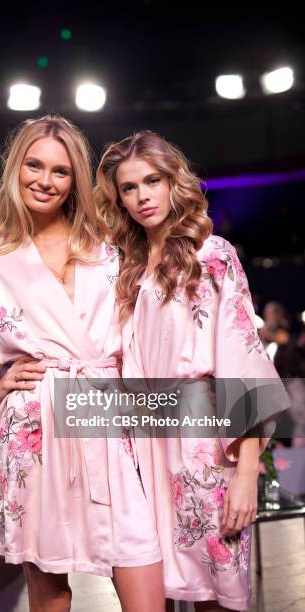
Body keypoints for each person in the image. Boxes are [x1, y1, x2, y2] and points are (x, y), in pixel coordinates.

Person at [0, 116, 165, 612]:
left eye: (59, 171)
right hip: (34, 432)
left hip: (108, 421)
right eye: (34, 165)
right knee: (50, 587)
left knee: (140, 562)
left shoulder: (112, 250)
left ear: (75, 180)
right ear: (16, 169)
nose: (44, 180)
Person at [95, 131, 289, 611]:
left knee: (214, 598)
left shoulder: (212, 255)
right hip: (147, 452)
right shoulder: (130, 269)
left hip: (205, 446)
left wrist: (247, 474)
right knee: (161, 589)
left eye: (152, 180)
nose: (142, 196)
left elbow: (243, 361)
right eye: (129, 187)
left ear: (172, 182)